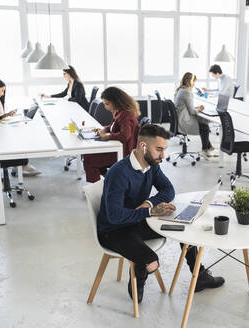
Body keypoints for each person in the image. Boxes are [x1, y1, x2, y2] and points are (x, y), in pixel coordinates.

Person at [97, 124, 225, 303]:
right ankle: (138, 278)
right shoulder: (119, 173)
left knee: (184, 226)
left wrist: (148, 204)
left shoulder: (151, 164)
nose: (163, 156)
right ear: (143, 146)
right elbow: (115, 216)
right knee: (152, 262)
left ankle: (200, 276)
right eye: (159, 150)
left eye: (164, 150)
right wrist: (150, 211)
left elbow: (168, 190)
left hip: (138, 222)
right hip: (114, 231)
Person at [0, 78, 41, 176]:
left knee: (15, 140)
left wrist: (6, 115)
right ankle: (23, 166)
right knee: (18, 148)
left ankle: (20, 168)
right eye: (2, 91)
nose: (3, 94)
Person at [83, 87, 139, 183]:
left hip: (123, 152)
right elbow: (113, 126)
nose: (106, 107)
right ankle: (108, 181)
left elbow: (125, 136)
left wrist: (107, 136)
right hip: (118, 148)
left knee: (89, 160)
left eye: (107, 104)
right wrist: (104, 130)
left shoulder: (126, 115)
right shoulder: (119, 111)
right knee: (89, 156)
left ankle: (98, 187)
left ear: (116, 102)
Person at [174, 72, 218, 158]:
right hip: (183, 121)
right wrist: (199, 109)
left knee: (203, 122)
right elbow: (192, 112)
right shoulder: (187, 92)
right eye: (194, 82)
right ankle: (205, 150)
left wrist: (197, 108)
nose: (194, 84)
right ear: (190, 81)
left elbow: (186, 107)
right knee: (204, 126)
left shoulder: (180, 90)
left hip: (179, 119)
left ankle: (209, 147)